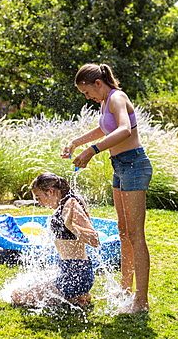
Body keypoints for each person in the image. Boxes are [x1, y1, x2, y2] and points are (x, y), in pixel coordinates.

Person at [61, 63, 153, 314]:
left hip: (135, 165)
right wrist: (76, 142)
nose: (87, 97)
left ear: (98, 84)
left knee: (136, 234)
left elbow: (124, 130)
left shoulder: (117, 97)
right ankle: (125, 288)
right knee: (123, 232)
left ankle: (141, 301)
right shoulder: (105, 102)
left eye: (86, 91)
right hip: (120, 166)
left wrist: (92, 151)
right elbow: (105, 128)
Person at [11, 172, 100, 308]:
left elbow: (95, 241)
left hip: (75, 275)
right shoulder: (65, 201)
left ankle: (76, 294)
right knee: (29, 283)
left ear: (50, 191)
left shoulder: (70, 205)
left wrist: (71, 226)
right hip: (69, 270)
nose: (39, 202)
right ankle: (77, 296)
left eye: (39, 197)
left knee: (17, 296)